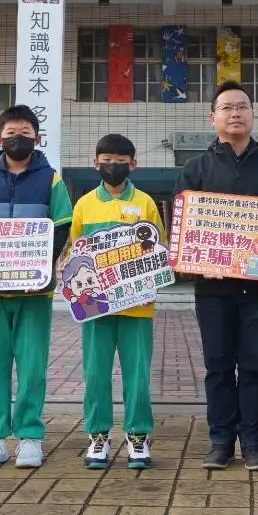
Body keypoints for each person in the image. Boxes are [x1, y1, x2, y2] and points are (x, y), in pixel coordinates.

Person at [176, 81, 258, 472]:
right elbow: (181, 225)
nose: (235, 114)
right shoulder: (196, 168)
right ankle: (219, 441)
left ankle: (252, 441)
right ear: (212, 116)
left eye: (242, 107)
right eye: (227, 107)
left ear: (252, 115)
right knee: (217, 364)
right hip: (212, 287)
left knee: (253, 364)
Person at [0, 105, 73, 470]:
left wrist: (37, 266)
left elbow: (63, 225)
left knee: (32, 366)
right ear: (0, 138)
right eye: (12, 132)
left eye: (26, 133)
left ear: (37, 138)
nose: (18, 138)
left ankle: (30, 437)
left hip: (35, 291)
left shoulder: (51, 180)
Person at [70, 134, 165, 470]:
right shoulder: (83, 205)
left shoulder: (146, 203)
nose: (113, 165)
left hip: (137, 305)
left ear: (133, 164)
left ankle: (137, 436)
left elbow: (158, 251)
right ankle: (98, 435)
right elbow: (74, 253)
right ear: (95, 163)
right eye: (106, 159)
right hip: (94, 305)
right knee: (95, 373)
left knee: (136, 374)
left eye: (120, 159)